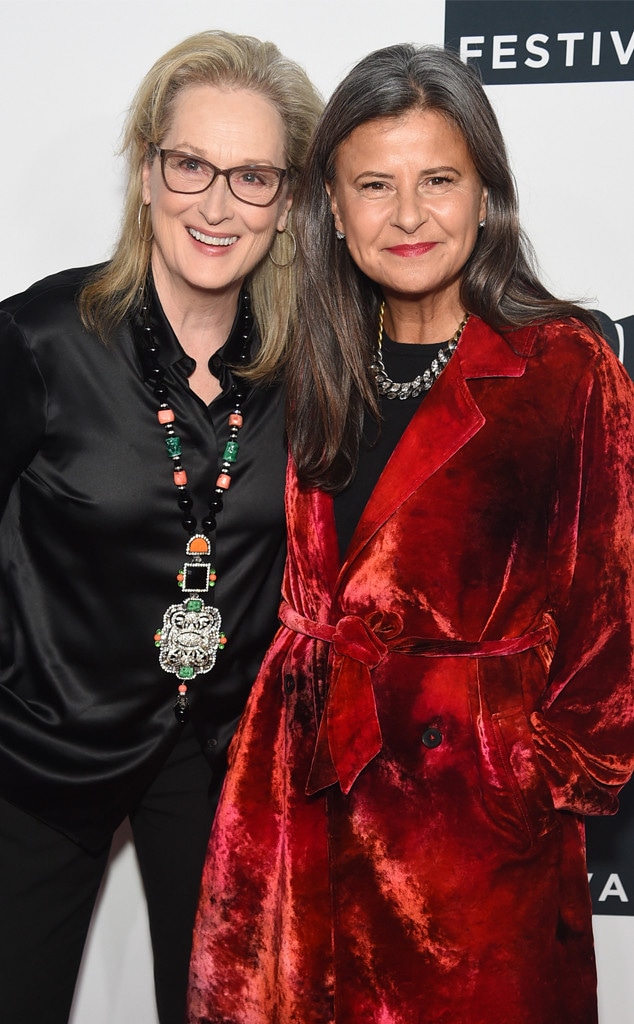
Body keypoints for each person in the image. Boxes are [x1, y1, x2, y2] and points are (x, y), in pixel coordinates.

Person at [188, 44, 634, 1024]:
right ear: (333, 214)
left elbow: (609, 631)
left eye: (438, 180)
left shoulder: (564, 368)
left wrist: (519, 769)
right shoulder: (298, 369)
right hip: (295, 820)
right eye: (374, 185)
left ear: (486, 198)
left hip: (475, 851)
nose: (407, 215)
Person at [0, 29, 321, 1024]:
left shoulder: (310, 366)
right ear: (146, 172)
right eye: (191, 164)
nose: (216, 204)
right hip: (42, 744)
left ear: (287, 200)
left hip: (218, 756)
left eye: (253, 176)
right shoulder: (37, 339)